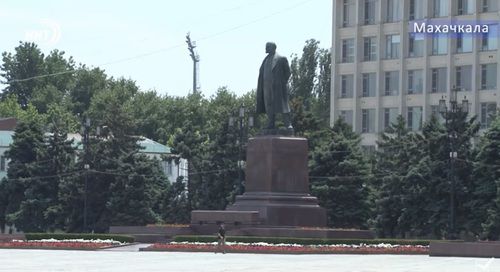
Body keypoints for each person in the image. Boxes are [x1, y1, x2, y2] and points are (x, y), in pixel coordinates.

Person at [256, 42, 293, 131]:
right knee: (269, 106)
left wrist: (282, 82)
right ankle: (270, 123)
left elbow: (288, 72)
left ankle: (288, 124)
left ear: (273, 48)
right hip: (266, 87)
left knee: (283, 106)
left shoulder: (281, 59)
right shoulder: (265, 60)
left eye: (267, 47)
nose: (265, 48)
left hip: (278, 87)